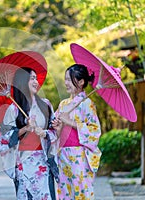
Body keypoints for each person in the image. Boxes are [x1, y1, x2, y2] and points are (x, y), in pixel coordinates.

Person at [0, 67, 59, 200]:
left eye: (36, 78)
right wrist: (25, 128)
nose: (36, 82)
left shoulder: (45, 105)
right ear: (23, 82)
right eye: (32, 78)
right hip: (23, 163)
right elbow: (2, 138)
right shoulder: (13, 109)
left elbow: (55, 130)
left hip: (43, 161)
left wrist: (44, 133)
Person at [52, 64, 102, 199]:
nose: (66, 83)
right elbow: (55, 130)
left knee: (81, 191)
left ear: (81, 82)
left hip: (79, 154)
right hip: (62, 153)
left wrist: (70, 122)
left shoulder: (87, 103)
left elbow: (94, 130)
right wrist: (57, 126)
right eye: (65, 79)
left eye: (69, 79)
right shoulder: (63, 104)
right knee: (64, 191)